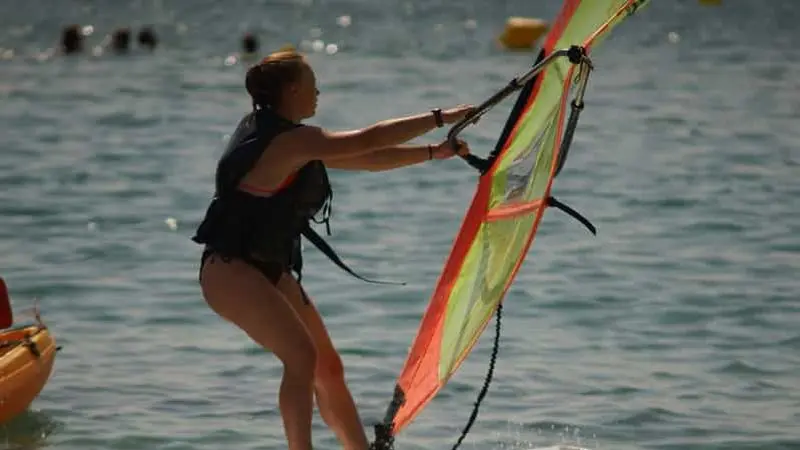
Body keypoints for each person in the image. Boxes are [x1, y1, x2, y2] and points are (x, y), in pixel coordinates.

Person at [192, 49, 474, 450]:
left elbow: (366, 158)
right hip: (230, 269)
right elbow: (366, 139)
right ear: (292, 90)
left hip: (265, 268)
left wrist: (434, 152)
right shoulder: (286, 140)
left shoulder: (290, 136)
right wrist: (440, 117)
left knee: (328, 367)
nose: (319, 93)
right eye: (312, 85)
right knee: (301, 357)